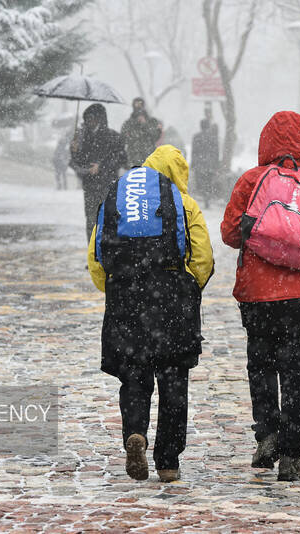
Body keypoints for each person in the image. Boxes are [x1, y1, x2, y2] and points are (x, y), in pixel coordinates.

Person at [220, 111, 300, 482]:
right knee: (298, 377)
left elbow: (230, 234)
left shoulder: (251, 180)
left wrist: (259, 231)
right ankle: (292, 455)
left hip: (259, 295)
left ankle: (268, 436)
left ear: (266, 142)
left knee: (261, 367)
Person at [88, 144, 214, 483]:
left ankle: (136, 432)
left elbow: (96, 257)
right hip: (172, 299)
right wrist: (188, 290)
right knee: (173, 379)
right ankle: (168, 460)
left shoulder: (120, 200)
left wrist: (116, 291)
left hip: (126, 299)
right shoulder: (183, 204)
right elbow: (202, 258)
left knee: (134, 374)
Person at [70, 103, 127, 242]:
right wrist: (74, 150)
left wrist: (101, 166)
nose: (89, 121)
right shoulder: (81, 137)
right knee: (91, 220)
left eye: (92, 117)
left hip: (108, 185)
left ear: (100, 118)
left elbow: (122, 159)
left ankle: (107, 254)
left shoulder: (113, 137)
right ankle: (92, 255)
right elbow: (75, 163)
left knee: (108, 220)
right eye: (87, 118)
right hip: (90, 186)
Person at [120, 97, 161, 167]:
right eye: (136, 104)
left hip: (149, 158)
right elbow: (124, 139)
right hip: (133, 159)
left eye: (140, 104)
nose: (138, 107)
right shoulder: (128, 123)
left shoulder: (152, 121)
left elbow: (156, 136)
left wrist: (145, 124)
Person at [191, 118, 219, 208]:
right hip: (210, 163)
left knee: (201, 181)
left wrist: (193, 163)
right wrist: (216, 164)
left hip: (200, 163)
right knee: (209, 181)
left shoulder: (196, 137)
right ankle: (207, 198)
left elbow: (194, 151)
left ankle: (204, 196)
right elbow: (216, 152)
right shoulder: (213, 137)